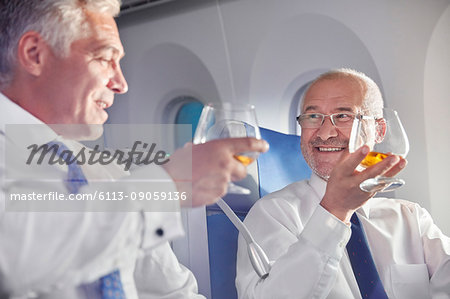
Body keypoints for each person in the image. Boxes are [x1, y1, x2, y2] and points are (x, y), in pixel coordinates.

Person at [0, 0, 268, 298]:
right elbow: (15, 259)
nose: (121, 83)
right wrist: (167, 185)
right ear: (34, 54)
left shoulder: (106, 171)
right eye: (104, 58)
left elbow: (169, 290)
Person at [236, 68, 450, 298]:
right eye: (313, 117)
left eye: (343, 116)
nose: (325, 133)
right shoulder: (273, 213)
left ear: (379, 131)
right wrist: (334, 211)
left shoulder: (411, 218)